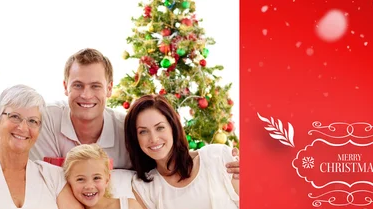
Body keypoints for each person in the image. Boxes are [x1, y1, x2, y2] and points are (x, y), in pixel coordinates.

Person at [31, 48, 240, 176]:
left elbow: (166, 156)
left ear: (110, 89)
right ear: (65, 86)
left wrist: (219, 160)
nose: (86, 95)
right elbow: (35, 177)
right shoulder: (45, 118)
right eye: (78, 85)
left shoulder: (128, 128)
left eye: (95, 86)